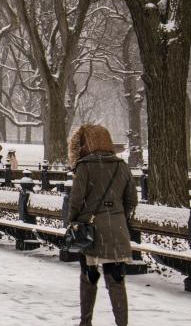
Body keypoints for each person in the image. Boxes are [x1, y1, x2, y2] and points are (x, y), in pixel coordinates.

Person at [66, 124, 136, 326]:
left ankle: (85, 322)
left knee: (89, 276)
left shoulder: (85, 166)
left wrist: (72, 221)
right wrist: (118, 216)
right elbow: (132, 200)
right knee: (116, 280)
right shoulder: (121, 166)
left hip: (91, 229)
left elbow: (76, 200)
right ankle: (122, 323)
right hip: (117, 229)